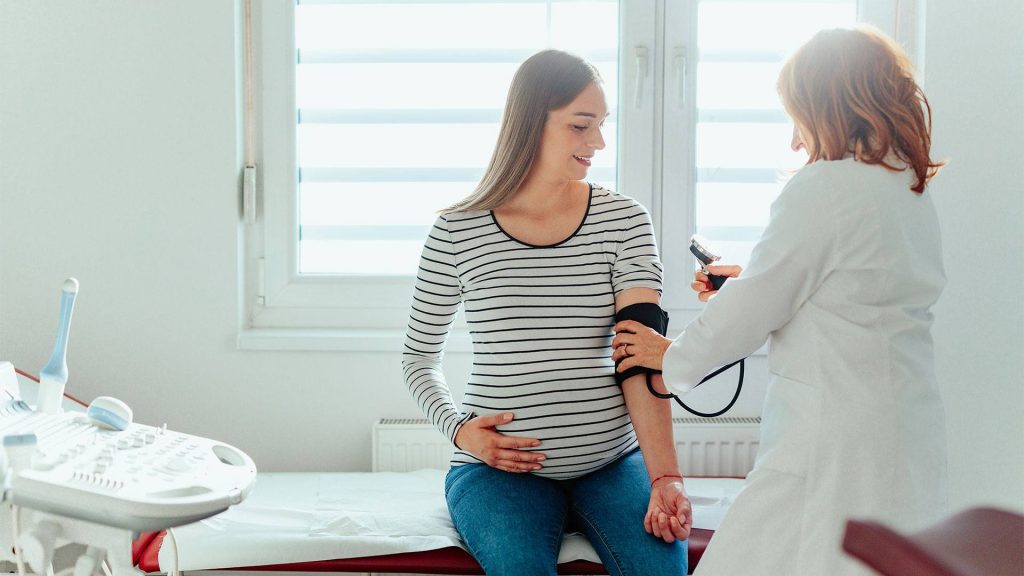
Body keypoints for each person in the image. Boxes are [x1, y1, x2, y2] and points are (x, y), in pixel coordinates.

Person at [612, 26, 948, 575]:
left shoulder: (823, 187)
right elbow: (858, 293)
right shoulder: (906, 186)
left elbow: (753, 312)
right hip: (904, 430)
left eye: (798, 117)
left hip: (831, 440)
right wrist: (753, 279)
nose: (796, 140)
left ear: (827, 106)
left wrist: (666, 356)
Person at [401, 49, 690, 576]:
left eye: (602, 125)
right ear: (531, 122)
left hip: (611, 461)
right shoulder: (455, 231)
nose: (598, 142)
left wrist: (665, 476)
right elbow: (418, 359)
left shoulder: (624, 220)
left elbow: (640, 359)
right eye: (581, 125)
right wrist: (462, 431)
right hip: (498, 472)